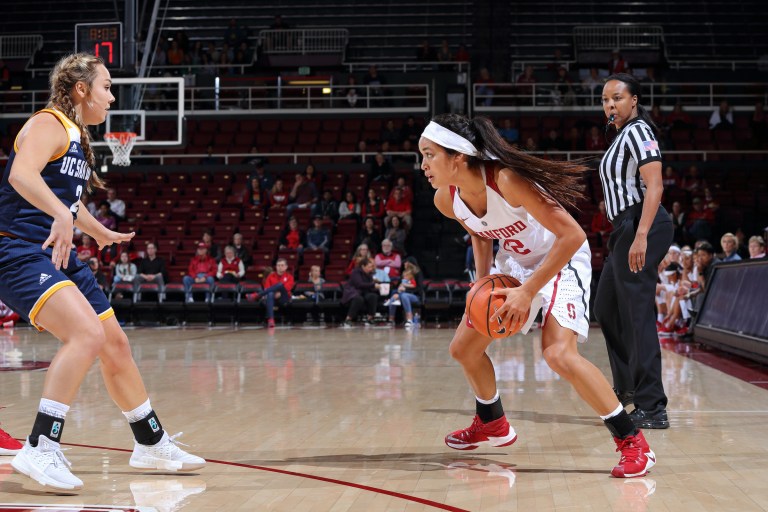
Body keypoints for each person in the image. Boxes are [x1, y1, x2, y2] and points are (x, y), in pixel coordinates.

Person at [0, 53, 204, 491]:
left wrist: (98, 231)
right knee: (87, 335)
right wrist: (60, 214)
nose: (112, 97)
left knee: (115, 343)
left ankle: (150, 443)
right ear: (80, 89)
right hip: (18, 250)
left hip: (57, 252)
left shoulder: (75, 138)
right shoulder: (47, 123)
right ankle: (41, 446)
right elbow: (21, 175)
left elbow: (66, 204)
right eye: (107, 86)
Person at [420, 112, 655, 478]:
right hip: (514, 264)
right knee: (463, 348)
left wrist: (528, 292)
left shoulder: (507, 180)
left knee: (558, 353)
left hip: (560, 260)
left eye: (429, 154)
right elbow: (480, 231)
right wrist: (481, 284)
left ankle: (632, 441)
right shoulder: (446, 200)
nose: (423, 165)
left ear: (458, 157)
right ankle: (492, 421)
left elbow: (573, 236)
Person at [594, 73, 674, 431]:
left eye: (616, 98)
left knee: (637, 314)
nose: (610, 105)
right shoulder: (621, 136)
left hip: (641, 225)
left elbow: (655, 185)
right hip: (623, 229)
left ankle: (652, 406)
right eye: (605, 100)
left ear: (634, 101)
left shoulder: (639, 131)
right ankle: (627, 389)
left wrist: (641, 234)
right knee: (606, 308)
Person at [246, 258, 294, 328]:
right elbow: (267, 289)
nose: (280, 267)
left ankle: (257, 295)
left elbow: (287, 289)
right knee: (270, 293)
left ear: (286, 267)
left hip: (284, 298)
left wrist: (279, 293)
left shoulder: (290, 277)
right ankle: (271, 320)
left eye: (282, 265)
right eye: (278, 265)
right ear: (276, 266)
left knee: (280, 285)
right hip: (272, 298)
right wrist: (274, 293)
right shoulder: (271, 276)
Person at [340, 258, 381, 328]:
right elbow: (359, 284)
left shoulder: (369, 274)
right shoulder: (356, 272)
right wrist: (373, 285)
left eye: (371, 267)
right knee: (359, 299)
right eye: (369, 267)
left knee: (373, 296)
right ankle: (348, 320)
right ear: (363, 266)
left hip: (364, 292)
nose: (371, 269)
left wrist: (378, 288)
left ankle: (370, 319)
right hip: (353, 292)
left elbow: (369, 286)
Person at [384, 258, 423, 327]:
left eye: (406, 262)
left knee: (404, 295)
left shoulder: (418, 274)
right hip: (401, 294)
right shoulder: (404, 273)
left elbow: (418, 288)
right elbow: (398, 286)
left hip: (415, 296)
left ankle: (409, 319)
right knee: (394, 295)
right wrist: (398, 292)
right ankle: (391, 320)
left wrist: (404, 290)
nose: (404, 264)